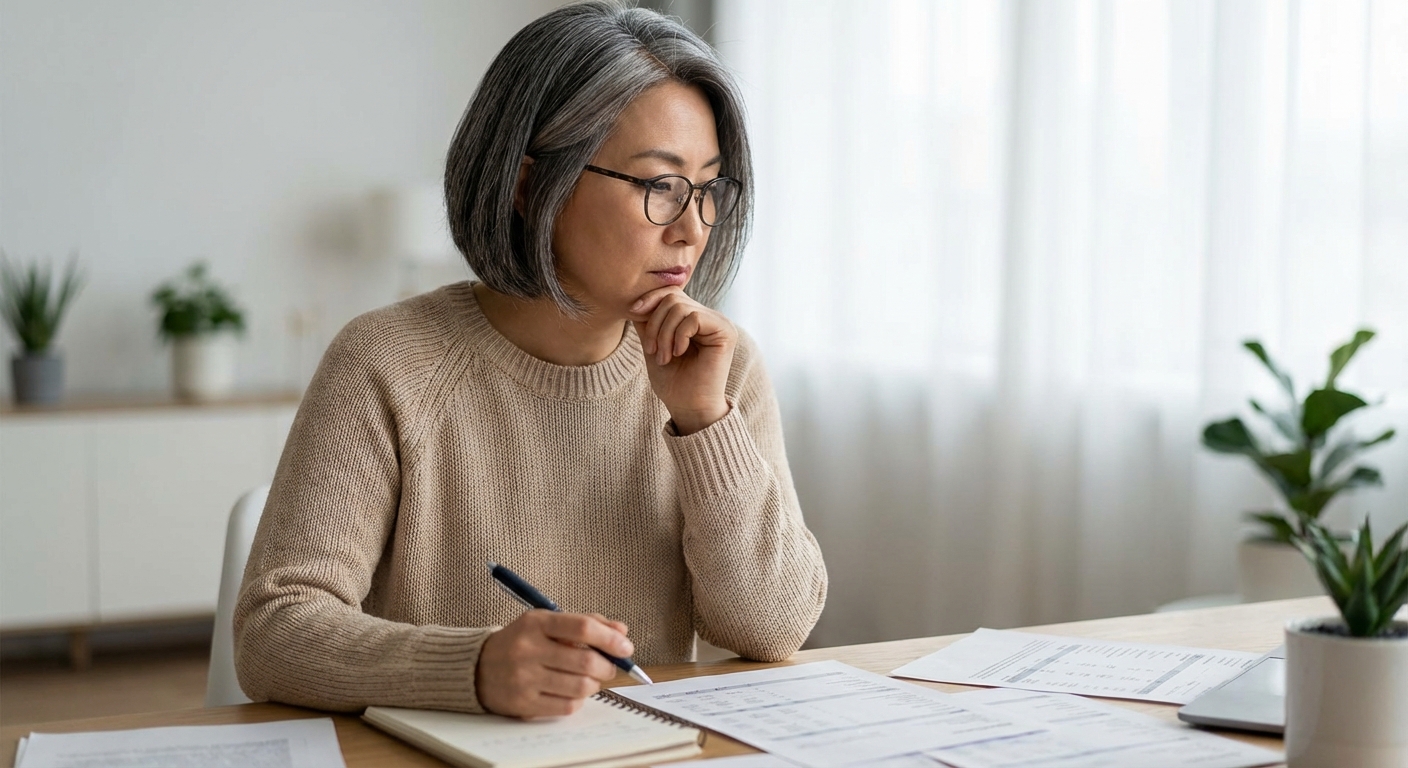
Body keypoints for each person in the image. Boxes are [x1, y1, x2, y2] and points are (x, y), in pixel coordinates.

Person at [233, 0, 827, 719]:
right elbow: (274, 631)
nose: (692, 229)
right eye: (660, 186)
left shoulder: (721, 369)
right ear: (526, 186)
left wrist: (704, 420)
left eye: (708, 189)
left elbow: (771, 628)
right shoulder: (386, 363)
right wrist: (473, 668)